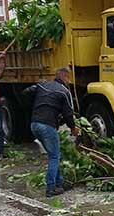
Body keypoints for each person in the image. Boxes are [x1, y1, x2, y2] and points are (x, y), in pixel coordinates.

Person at [23, 67, 78, 197]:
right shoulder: (64, 91)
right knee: (54, 156)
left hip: (34, 124)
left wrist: (34, 106)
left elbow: (26, 93)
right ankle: (51, 187)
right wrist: (73, 128)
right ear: (65, 77)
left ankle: (59, 183)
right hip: (47, 126)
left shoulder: (43, 85)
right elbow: (69, 113)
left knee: (54, 154)